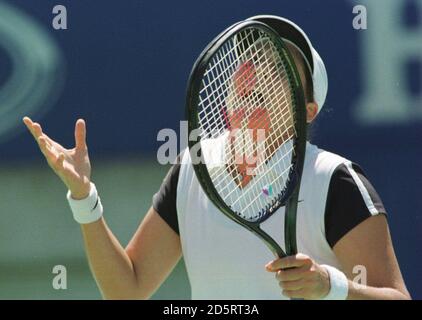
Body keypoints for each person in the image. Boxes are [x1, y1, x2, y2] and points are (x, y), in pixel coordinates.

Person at [23, 15, 410, 300]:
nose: (255, 76)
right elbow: (128, 289)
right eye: (249, 63)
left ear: (306, 111)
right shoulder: (193, 170)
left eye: (276, 69)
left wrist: (332, 286)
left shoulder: (335, 181)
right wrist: (84, 199)